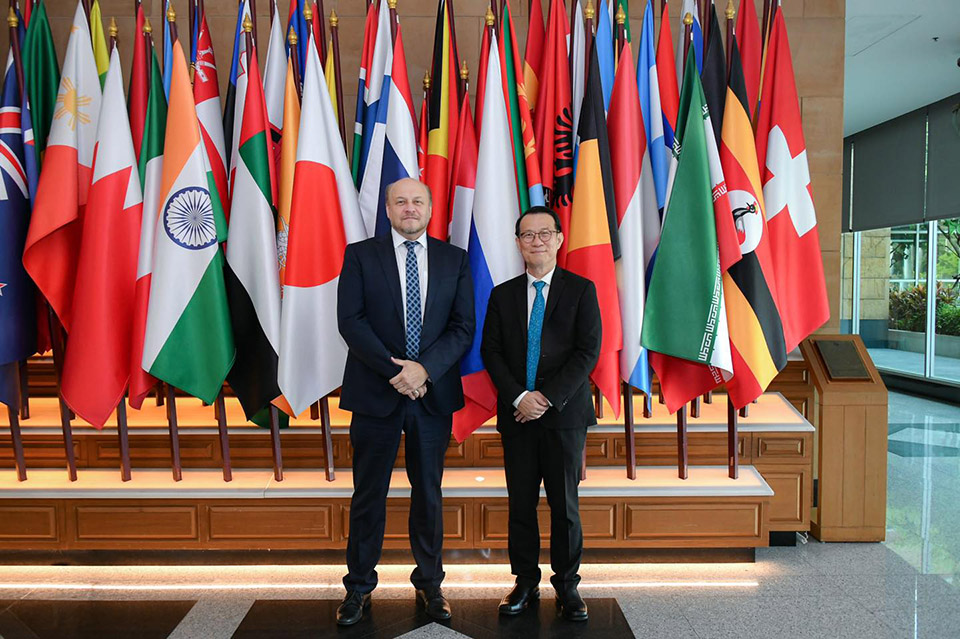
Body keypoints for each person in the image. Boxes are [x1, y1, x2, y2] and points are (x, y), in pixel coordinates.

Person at [335, 178, 475, 626]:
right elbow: (350, 321)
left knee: (428, 494)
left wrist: (424, 370)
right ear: (388, 209)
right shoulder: (360, 255)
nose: (409, 208)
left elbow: (462, 327)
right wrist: (397, 372)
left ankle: (430, 584)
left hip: (431, 397)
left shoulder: (455, 259)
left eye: (417, 201)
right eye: (400, 201)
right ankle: (358, 588)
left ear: (430, 209)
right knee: (368, 494)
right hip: (375, 393)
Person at [480, 205, 602, 622]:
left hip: (564, 415)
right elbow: (491, 352)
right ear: (518, 243)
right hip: (518, 416)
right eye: (528, 235)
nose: (537, 241)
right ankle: (525, 582)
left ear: (559, 239)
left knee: (565, 506)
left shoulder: (581, 290)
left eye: (544, 233)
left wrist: (545, 398)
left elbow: (587, 352)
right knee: (521, 505)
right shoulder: (502, 295)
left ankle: (567, 587)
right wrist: (520, 397)